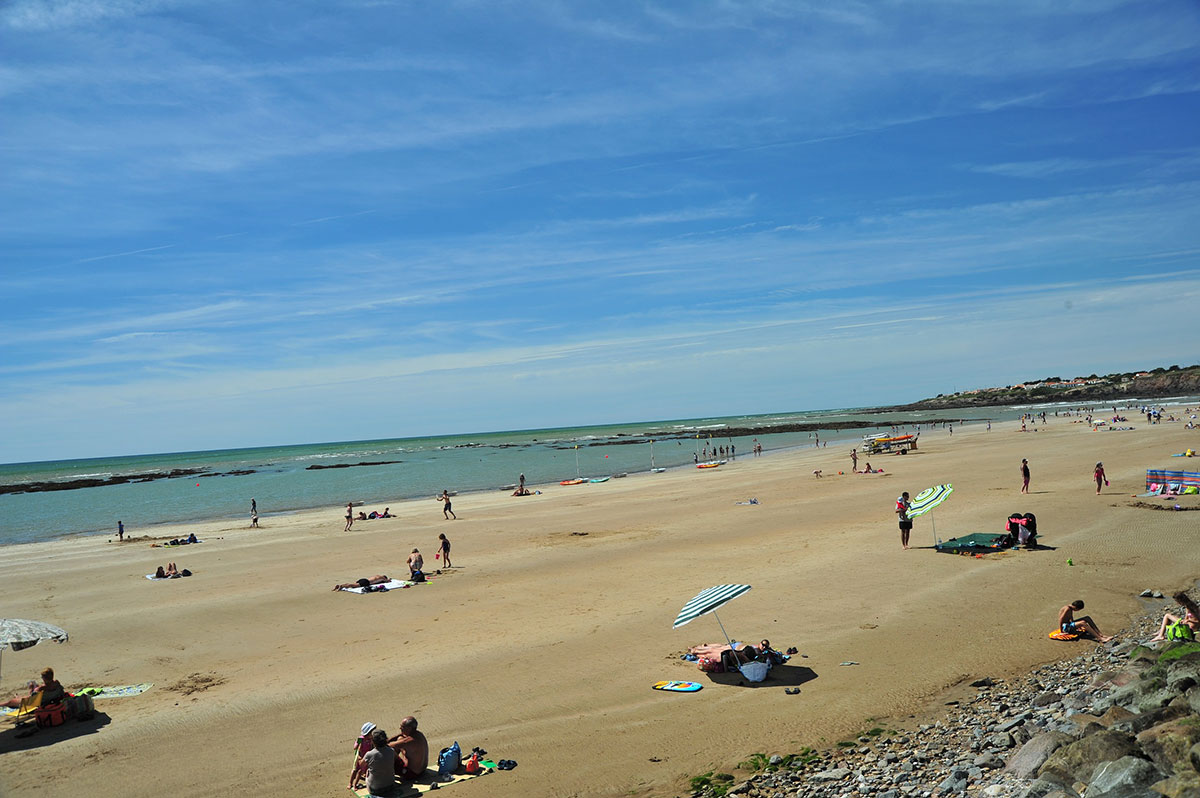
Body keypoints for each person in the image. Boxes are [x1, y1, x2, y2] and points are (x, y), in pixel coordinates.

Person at [354, 729, 397, 794]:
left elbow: (361, 765)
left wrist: (359, 755)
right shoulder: (391, 751)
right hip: (390, 786)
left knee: (368, 771)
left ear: (373, 741)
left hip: (375, 789)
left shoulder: (370, 754)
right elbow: (395, 758)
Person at [388, 716, 429, 781]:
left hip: (412, 774)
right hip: (422, 770)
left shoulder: (409, 741)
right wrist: (389, 739)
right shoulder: (419, 734)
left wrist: (381, 743)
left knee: (390, 751)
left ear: (409, 728)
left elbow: (390, 746)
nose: (400, 728)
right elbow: (401, 735)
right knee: (400, 738)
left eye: (402, 727)